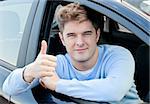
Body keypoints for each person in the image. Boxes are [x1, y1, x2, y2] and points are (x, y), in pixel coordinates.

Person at [2, 3, 143, 104]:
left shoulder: (118, 56)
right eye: (71, 35)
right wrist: (29, 72)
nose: (80, 42)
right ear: (62, 39)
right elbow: (8, 87)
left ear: (97, 35)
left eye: (86, 33)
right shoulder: (58, 64)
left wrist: (57, 84)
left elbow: (114, 91)